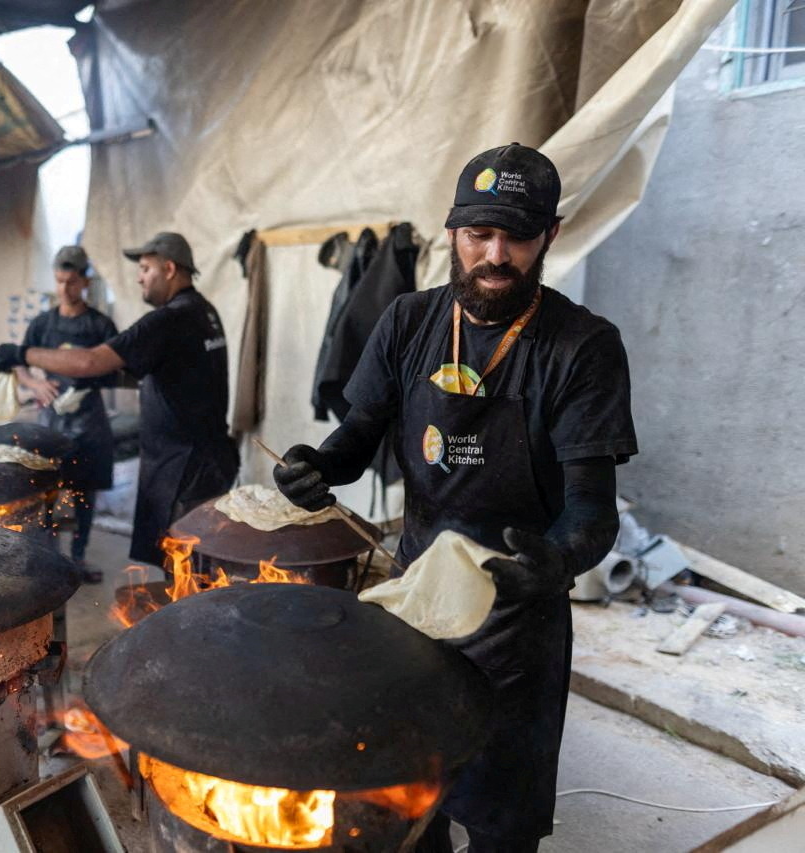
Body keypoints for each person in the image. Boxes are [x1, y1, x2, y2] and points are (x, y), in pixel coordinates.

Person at [272, 144, 637, 852]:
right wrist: (315, 466)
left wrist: (557, 561)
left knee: (503, 818)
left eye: (517, 236)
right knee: (409, 794)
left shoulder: (581, 347)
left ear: (550, 236)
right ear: (451, 233)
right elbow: (354, 439)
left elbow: (594, 509)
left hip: (518, 616)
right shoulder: (409, 322)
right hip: (418, 599)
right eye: (479, 234)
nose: (495, 255)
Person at [0, 232, 238, 566]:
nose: (139, 277)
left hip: (183, 468)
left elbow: (91, 361)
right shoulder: (204, 313)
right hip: (209, 459)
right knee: (201, 564)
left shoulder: (167, 320)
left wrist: (21, 353)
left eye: (146, 269)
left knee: (186, 569)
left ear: (168, 269)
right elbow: (159, 373)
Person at [14, 246, 119, 581]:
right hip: (52, 419)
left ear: (85, 282)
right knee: (47, 488)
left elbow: (118, 367)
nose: (64, 289)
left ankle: (78, 558)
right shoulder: (43, 324)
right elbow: (18, 362)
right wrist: (35, 385)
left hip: (88, 419)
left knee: (84, 491)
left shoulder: (100, 325)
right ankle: (50, 559)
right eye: (59, 281)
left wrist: (90, 380)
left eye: (71, 282)